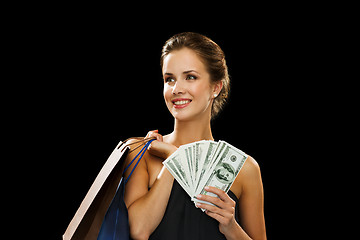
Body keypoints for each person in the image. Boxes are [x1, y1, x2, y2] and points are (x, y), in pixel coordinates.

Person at [123, 32, 266, 240]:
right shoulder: (141, 151)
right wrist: (175, 159)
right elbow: (139, 230)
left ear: (216, 87)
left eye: (190, 77)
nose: (176, 89)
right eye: (169, 79)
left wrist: (231, 227)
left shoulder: (246, 169)